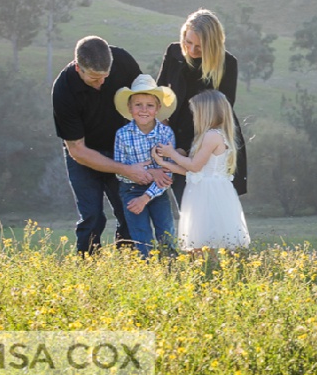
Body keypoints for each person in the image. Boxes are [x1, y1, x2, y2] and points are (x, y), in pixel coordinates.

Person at [52, 35, 169, 254]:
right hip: (85, 155)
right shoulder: (63, 90)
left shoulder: (122, 61)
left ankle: (127, 267)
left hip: (124, 150)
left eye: (105, 76)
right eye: (95, 78)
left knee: (129, 212)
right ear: (78, 68)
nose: (101, 83)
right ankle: (88, 268)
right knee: (92, 216)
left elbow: (148, 100)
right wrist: (126, 170)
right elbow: (77, 150)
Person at [156, 9, 247, 199]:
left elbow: (221, 114)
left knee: (209, 207)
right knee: (188, 210)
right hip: (172, 140)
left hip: (207, 145)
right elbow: (159, 95)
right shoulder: (174, 52)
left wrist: (187, 149)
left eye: (200, 46)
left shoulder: (227, 63)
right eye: (188, 42)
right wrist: (166, 133)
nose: (191, 50)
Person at [152, 90, 250, 252]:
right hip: (203, 188)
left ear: (206, 113)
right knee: (203, 239)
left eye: (195, 112)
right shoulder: (209, 135)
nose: (193, 116)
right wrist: (165, 163)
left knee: (208, 236)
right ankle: (207, 271)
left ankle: (212, 270)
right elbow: (196, 173)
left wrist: (172, 154)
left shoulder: (212, 136)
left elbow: (194, 166)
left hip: (208, 193)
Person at [112, 73, 178, 258]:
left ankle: (171, 271)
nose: (144, 110)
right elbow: (120, 171)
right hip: (131, 190)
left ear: (157, 108)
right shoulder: (122, 135)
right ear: (130, 108)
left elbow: (167, 174)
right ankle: (148, 273)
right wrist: (152, 170)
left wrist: (146, 197)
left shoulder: (165, 134)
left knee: (166, 233)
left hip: (158, 191)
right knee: (141, 236)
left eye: (149, 105)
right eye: (138, 105)